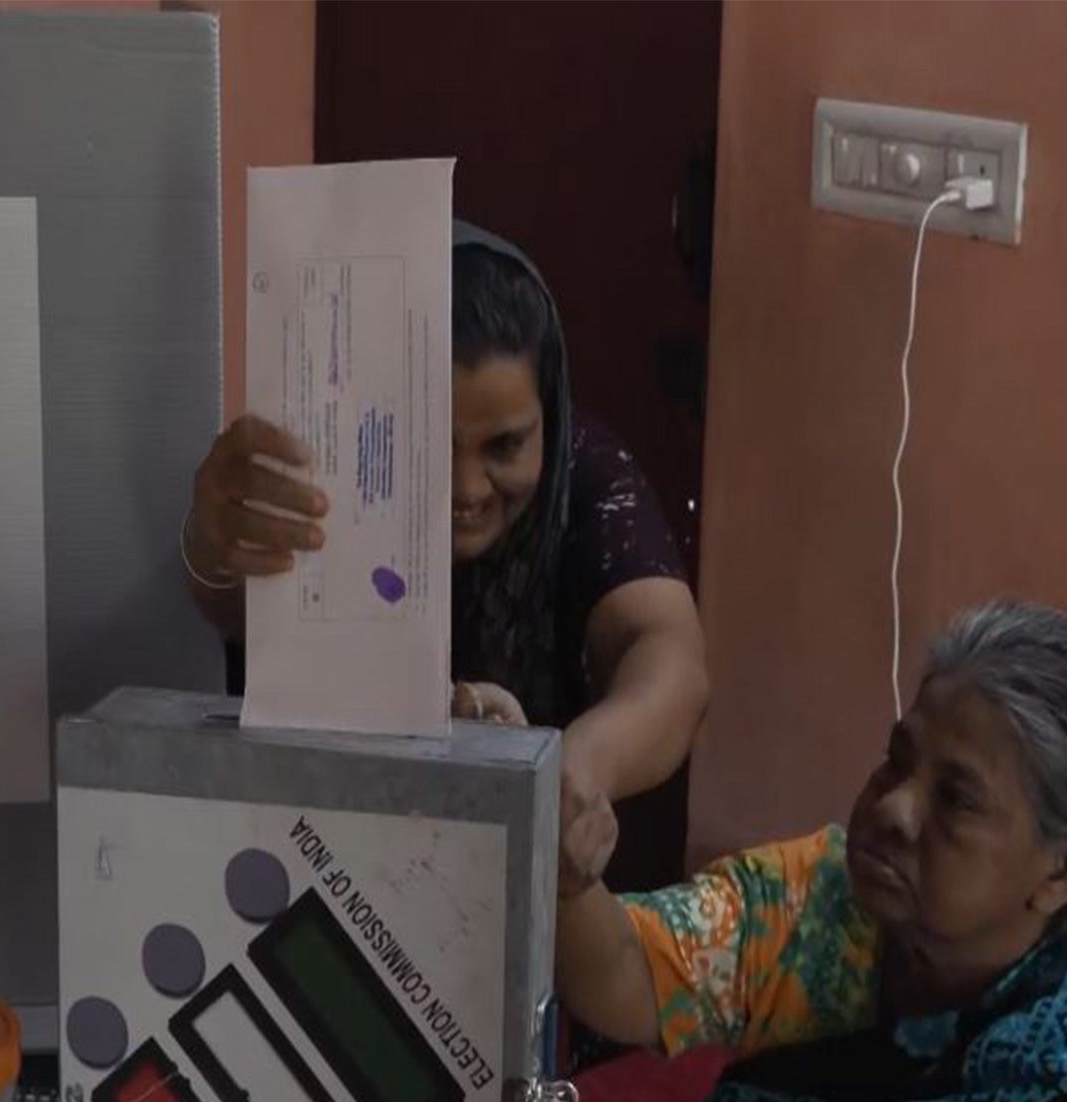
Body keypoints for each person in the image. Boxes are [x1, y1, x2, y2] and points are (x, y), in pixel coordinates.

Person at [555, 601, 1067, 1102]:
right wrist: (559, 846)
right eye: (897, 759)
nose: (896, 808)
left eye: (957, 799)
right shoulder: (817, 908)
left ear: (1060, 870)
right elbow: (623, 972)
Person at [184, 222, 709, 892]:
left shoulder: (587, 477)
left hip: (509, 891)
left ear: (551, 415)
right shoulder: (322, 467)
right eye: (428, 442)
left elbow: (673, 661)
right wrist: (210, 538)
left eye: (504, 446)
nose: (464, 490)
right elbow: (230, 601)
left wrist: (571, 767)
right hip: (317, 868)